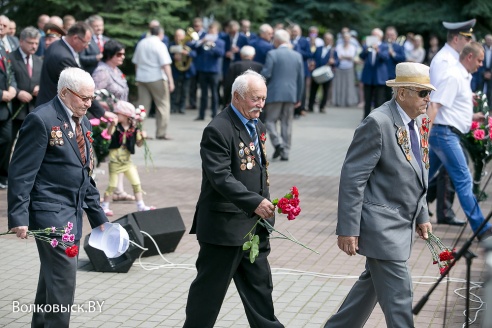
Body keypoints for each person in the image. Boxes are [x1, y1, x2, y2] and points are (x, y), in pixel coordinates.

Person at [325, 62, 434, 327]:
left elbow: (418, 171)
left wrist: (422, 214)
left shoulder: (417, 122)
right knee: (400, 300)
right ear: (402, 93)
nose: (427, 98)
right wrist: (348, 229)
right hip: (382, 227)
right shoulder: (377, 122)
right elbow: (353, 179)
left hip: (401, 225)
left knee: (365, 294)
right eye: (421, 93)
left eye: (429, 92)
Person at [7, 67, 108, 327]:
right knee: (63, 281)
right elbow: (22, 172)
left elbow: (85, 170)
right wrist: (19, 216)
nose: (89, 104)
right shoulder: (41, 120)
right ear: (64, 93)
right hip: (50, 214)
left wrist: (97, 216)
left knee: (52, 280)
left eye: (91, 98)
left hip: (72, 212)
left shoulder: (81, 118)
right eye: (84, 98)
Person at [184, 70, 283, 328]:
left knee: (260, 287)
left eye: (263, 99)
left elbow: (260, 172)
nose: (261, 105)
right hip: (224, 228)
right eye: (255, 99)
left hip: (253, 225)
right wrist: (254, 202)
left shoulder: (257, 125)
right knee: (209, 292)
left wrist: (266, 205)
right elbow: (220, 177)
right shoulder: (218, 129)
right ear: (237, 97)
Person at [427, 41, 492, 240]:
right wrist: (424, 136)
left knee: (420, 178)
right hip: (445, 134)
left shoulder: (462, 76)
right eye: (480, 60)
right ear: (469, 57)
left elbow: (451, 107)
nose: (482, 64)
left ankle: (395, 210)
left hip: (446, 133)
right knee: (463, 180)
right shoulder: (454, 76)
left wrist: (473, 117)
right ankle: (483, 230)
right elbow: (435, 106)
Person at [427, 19, 476, 226]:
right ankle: (478, 225)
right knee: (457, 173)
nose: (470, 42)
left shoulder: (452, 59)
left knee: (422, 174)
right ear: (457, 38)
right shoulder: (445, 61)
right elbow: (436, 100)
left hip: (446, 128)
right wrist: (425, 132)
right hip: (443, 128)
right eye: (467, 38)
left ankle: (405, 205)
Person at [36, 22, 116, 122]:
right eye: (85, 42)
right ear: (75, 38)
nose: (86, 46)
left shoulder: (57, 45)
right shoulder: (63, 57)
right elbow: (79, 86)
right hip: (53, 112)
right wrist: (102, 112)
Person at [100, 101, 155, 214]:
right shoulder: (116, 126)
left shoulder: (134, 128)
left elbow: (138, 144)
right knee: (112, 185)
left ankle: (141, 205)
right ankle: (104, 206)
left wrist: (143, 138)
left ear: (125, 115)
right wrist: (112, 124)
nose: (115, 115)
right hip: (115, 161)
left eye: (118, 114)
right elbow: (109, 134)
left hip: (127, 162)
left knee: (136, 183)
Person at [262, 29, 304, 161]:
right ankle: (285, 152)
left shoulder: (272, 54)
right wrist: (299, 96)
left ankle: (277, 143)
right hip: (291, 94)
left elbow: (266, 74)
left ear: (278, 40)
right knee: (287, 123)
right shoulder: (297, 56)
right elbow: (300, 79)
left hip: (274, 93)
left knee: (269, 121)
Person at [132, 25, 174, 139]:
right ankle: (161, 132)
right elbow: (165, 64)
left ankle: (140, 132)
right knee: (163, 105)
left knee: (142, 106)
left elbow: (136, 62)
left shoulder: (141, 43)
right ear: (161, 34)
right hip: (157, 78)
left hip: (142, 77)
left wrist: (138, 76)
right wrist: (171, 81)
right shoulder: (160, 44)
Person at [9, 27, 42, 161]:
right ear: (21, 41)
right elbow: (6, 81)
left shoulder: (39, 60)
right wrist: (17, 92)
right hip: (14, 110)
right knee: (8, 144)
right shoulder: (10, 58)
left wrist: (40, 88)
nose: (34, 46)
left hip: (33, 110)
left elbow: (43, 80)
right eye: (30, 43)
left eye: (36, 43)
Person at [192, 22, 225, 121]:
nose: (210, 32)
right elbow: (195, 50)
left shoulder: (220, 42)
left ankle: (214, 114)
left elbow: (220, 53)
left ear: (217, 31)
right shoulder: (203, 40)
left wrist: (212, 45)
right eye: (209, 30)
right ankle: (201, 114)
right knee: (203, 94)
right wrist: (201, 42)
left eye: (213, 30)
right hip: (203, 70)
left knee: (214, 93)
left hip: (214, 70)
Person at [0, 19, 18, 190]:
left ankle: (3, 175)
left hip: (6, 107)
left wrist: (13, 88)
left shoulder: (3, 49)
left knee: (6, 140)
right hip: (2, 99)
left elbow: (10, 72)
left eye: (3, 25)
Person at [359, 28, 389, 118]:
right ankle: (365, 119)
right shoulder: (367, 46)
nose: (373, 37)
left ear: (380, 37)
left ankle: (377, 119)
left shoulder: (384, 46)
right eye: (372, 35)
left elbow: (385, 58)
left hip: (379, 77)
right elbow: (361, 56)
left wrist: (377, 50)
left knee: (378, 101)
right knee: (367, 100)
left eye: (376, 35)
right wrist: (367, 48)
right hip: (368, 76)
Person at [308, 32, 338, 113]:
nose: (327, 40)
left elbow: (337, 62)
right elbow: (312, 57)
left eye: (329, 39)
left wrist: (333, 62)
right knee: (313, 89)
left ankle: (322, 106)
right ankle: (310, 106)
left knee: (325, 90)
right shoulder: (318, 48)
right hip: (317, 71)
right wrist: (312, 63)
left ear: (331, 40)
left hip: (326, 73)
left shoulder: (333, 50)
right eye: (326, 39)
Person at [169, 28, 196, 114]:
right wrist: (174, 57)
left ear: (184, 36)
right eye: (176, 36)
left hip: (186, 71)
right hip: (175, 70)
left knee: (185, 90)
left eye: (180, 36)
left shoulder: (189, 44)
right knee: (175, 90)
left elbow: (195, 54)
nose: (178, 37)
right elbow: (167, 55)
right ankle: (173, 107)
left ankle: (182, 107)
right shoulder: (171, 44)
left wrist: (187, 53)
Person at [332, 31, 358, 107]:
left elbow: (351, 57)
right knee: (339, 85)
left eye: (347, 38)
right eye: (345, 38)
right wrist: (346, 57)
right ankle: (338, 102)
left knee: (349, 86)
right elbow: (338, 56)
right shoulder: (339, 46)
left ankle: (349, 102)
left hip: (349, 68)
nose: (346, 39)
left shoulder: (352, 47)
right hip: (339, 68)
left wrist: (343, 57)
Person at [479, 34, 492, 103]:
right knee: (480, 90)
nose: (489, 41)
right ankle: (480, 105)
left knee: (490, 92)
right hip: (482, 72)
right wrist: (483, 73)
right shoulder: (481, 49)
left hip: (491, 72)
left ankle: (489, 107)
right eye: (488, 40)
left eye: (490, 40)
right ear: (485, 40)